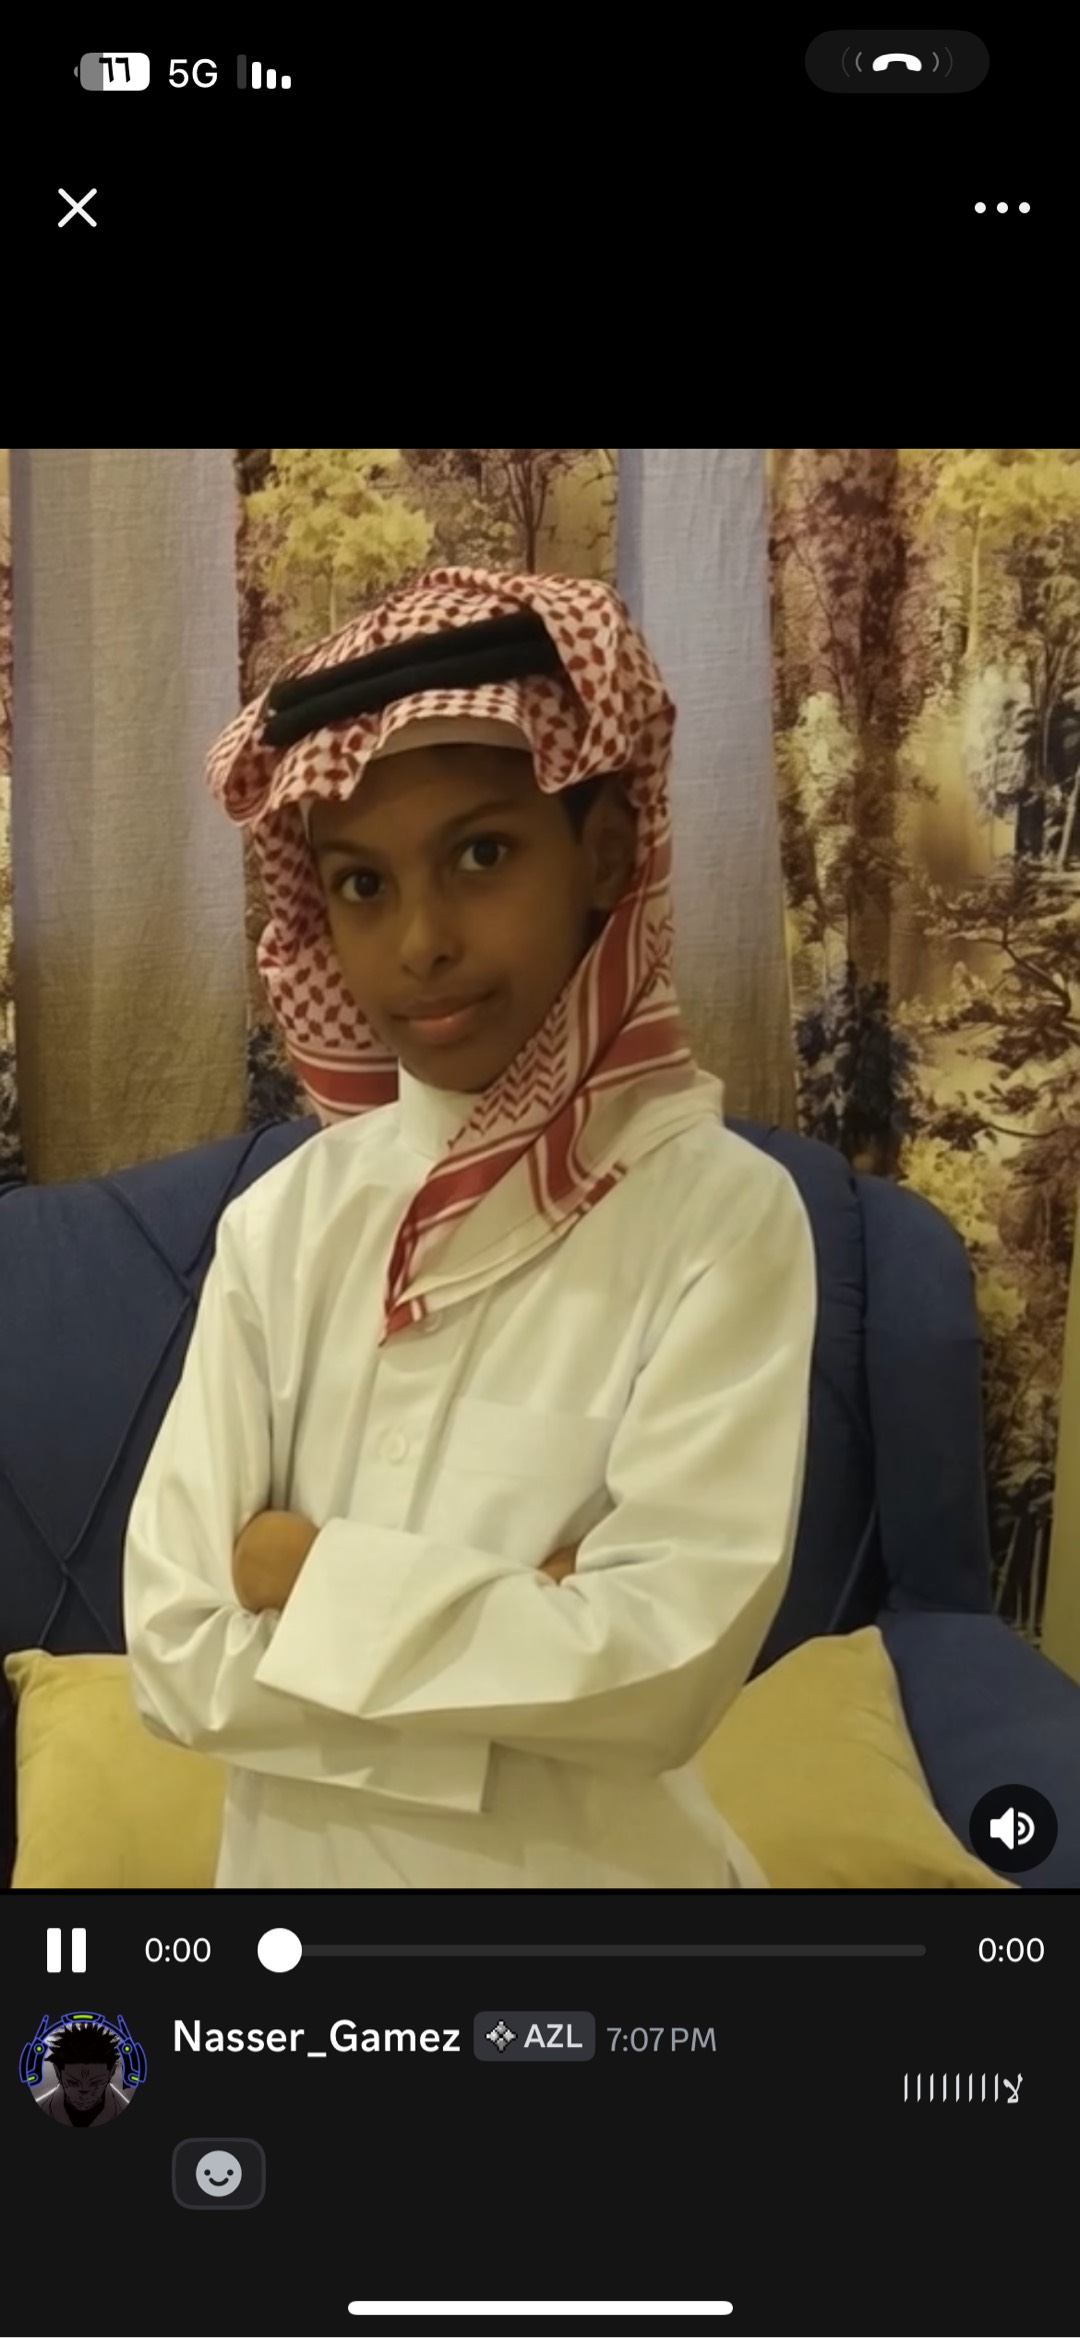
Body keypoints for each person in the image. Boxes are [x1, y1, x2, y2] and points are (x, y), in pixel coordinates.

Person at [123, 566, 817, 1888]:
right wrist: (529, 1618)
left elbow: (659, 1674)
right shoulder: (282, 1229)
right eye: (361, 883)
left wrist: (303, 1570)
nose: (421, 940)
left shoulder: (721, 1217)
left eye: (482, 854)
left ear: (601, 849)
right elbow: (172, 1655)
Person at [37, 2023, 130, 2125]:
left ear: (112, 2072)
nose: (84, 2095)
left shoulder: (122, 2108)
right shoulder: (42, 2107)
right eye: (73, 2083)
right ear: (58, 2073)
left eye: (95, 2083)